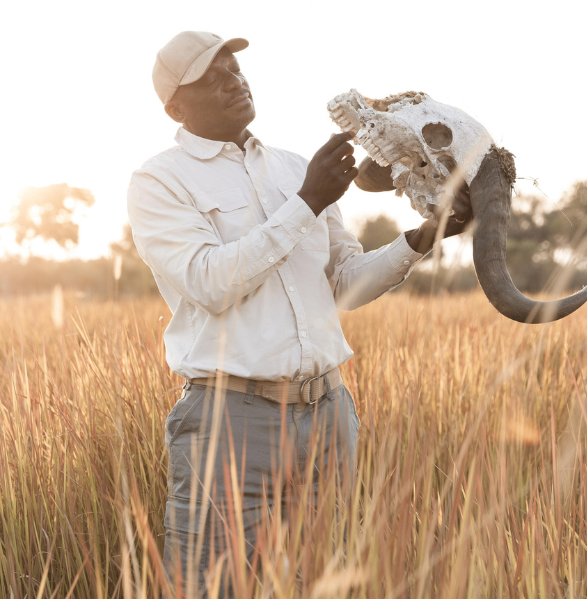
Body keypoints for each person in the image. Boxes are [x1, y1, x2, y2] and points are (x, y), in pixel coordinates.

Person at [127, 30, 470, 597]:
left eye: (234, 70)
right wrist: (309, 200)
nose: (233, 82)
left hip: (330, 416)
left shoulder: (292, 167)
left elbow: (344, 285)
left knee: (325, 582)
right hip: (229, 423)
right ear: (176, 108)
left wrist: (423, 237)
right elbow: (210, 282)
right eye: (211, 79)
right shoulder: (159, 181)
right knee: (211, 587)